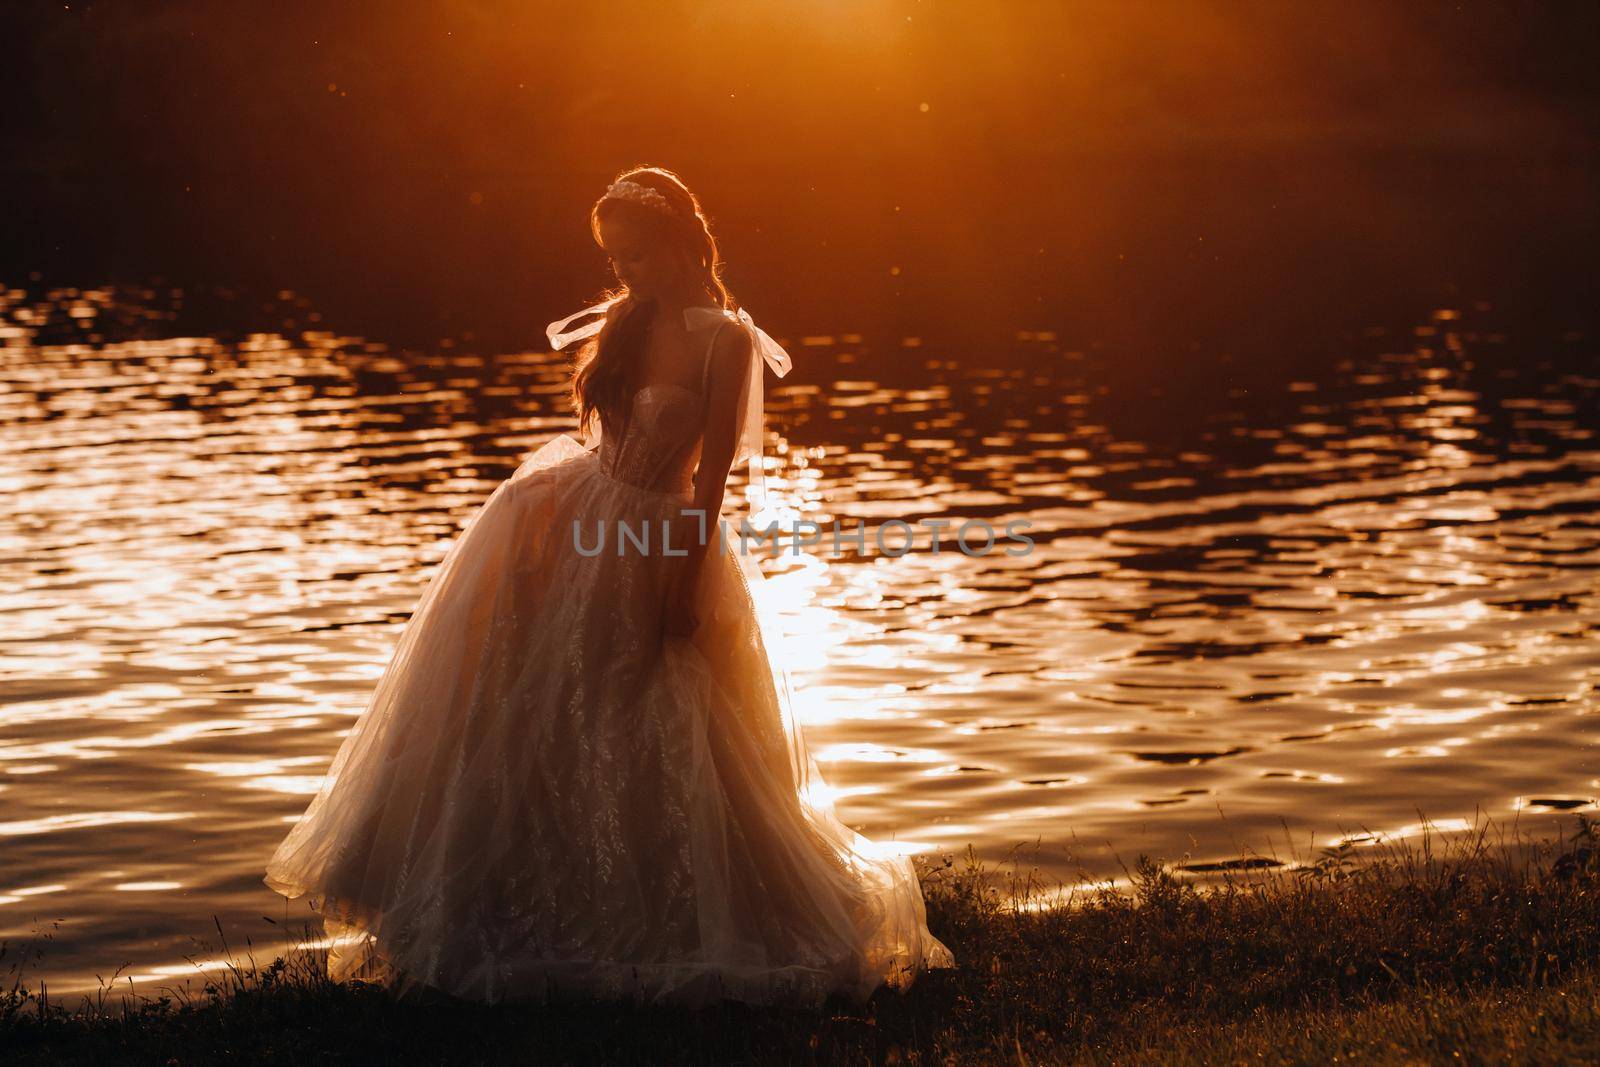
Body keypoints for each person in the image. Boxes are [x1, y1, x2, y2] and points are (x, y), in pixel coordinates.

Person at [263, 165, 954, 1008]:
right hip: (584, 519)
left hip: (659, 536)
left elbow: (710, 485)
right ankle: (522, 901)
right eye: (614, 256)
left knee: (657, 713)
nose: (623, 271)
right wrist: (542, 511)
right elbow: (604, 440)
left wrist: (684, 580)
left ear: (679, 244)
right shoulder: (626, 321)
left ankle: (665, 911)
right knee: (542, 708)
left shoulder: (724, 340)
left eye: (635, 253)